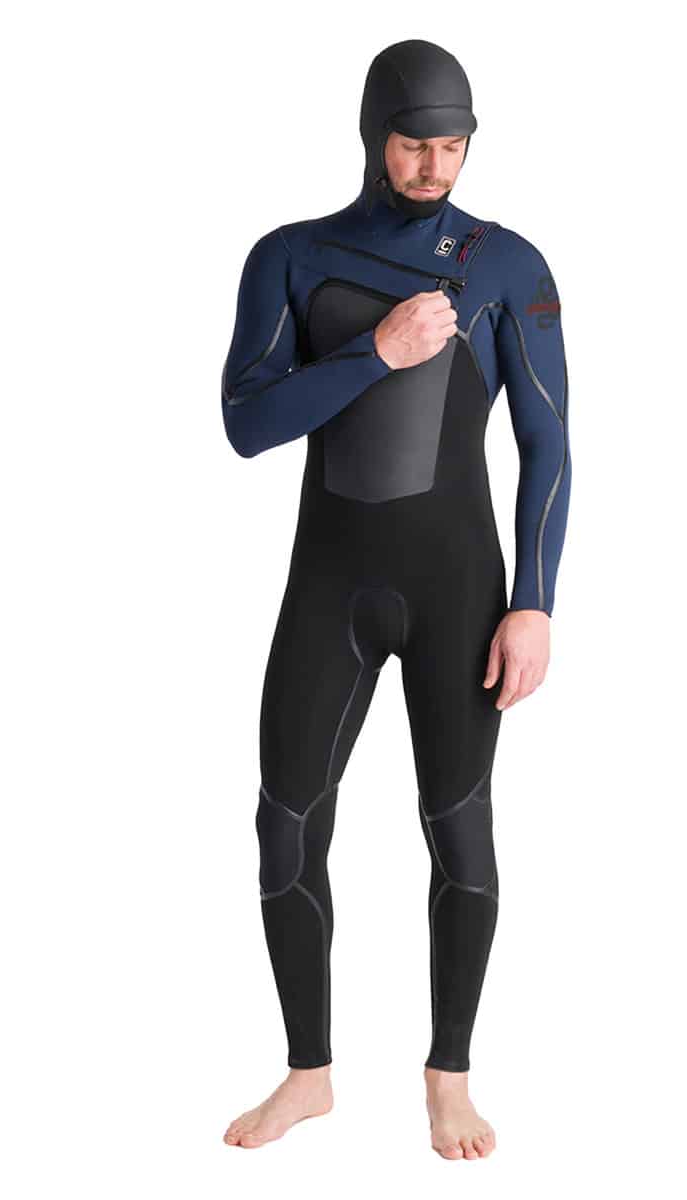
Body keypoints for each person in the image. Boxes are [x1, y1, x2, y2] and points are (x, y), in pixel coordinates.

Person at [219, 39, 571, 1160]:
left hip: (459, 588)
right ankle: (308, 1075)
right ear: (376, 135)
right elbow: (246, 425)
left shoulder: (508, 265)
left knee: (458, 823)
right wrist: (376, 351)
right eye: (416, 143)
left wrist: (535, 602)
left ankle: (448, 1080)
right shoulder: (290, 256)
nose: (434, 165)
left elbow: (548, 442)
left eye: (453, 145)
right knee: (284, 818)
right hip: (330, 582)